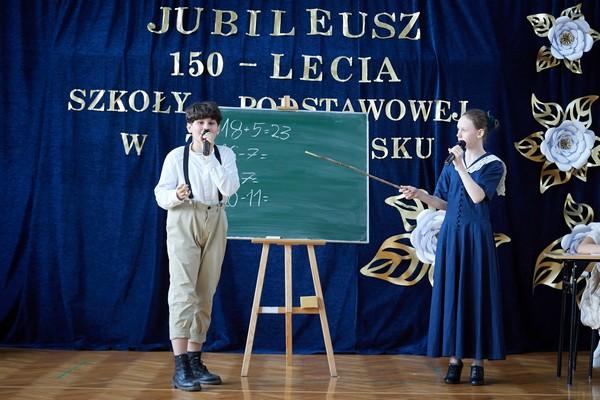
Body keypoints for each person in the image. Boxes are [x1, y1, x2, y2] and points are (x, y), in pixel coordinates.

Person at [400, 109, 506, 386]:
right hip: (451, 237)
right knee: (453, 294)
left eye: (463, 130)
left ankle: (478, 362)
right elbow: (443, 203)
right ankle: (455, 360)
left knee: (476, 293)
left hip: (476, 237)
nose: (458, 135)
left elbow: (478, 197)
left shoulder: (493, 165)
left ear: (479, 133)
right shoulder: (451, 164)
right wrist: (420, 195)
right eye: (457, 129)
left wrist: (461, 167)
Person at [154, 101, 240, 391]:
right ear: (189, 126)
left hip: (216, 216)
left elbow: (229, 188)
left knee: (206, 291)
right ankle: (180, 365)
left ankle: (194, 359)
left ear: (218, 128)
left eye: (211, 123)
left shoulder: (225, 154)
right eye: (200, 123)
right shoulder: (175, 156)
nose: (206, 127)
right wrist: (176, 195)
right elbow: (160, 194)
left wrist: (209, 156)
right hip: (184, 217)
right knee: (182, 289)